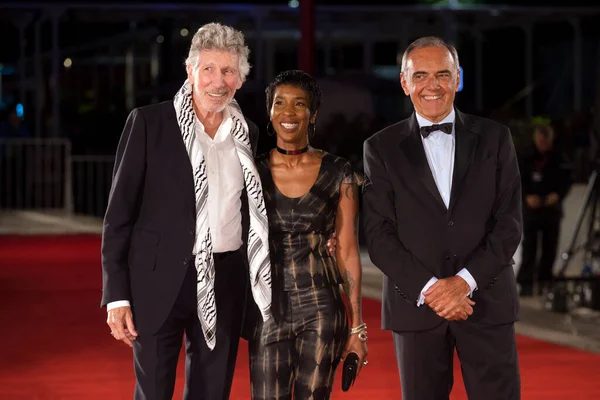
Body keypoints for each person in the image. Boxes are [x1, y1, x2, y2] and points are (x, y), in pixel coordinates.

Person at [101, 22, 273, 400]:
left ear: (240, 79)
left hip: (224, 278)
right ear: (190, 70)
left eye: (229, 71)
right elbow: (118, 217)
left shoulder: (249, 134)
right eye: (208, 68)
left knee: (212, 392)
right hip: (158, 281)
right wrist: (117, 296)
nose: (218, 81)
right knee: (154, 392)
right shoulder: (148, 123)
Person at [362, 36, 522, 400]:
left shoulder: (496, 138)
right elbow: (379, 234)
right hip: (416, 308)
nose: (431, 85)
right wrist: (434, 291)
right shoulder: (380, 147)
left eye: (442, 74)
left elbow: (509, 224)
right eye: (420, 75)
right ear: (404, 82)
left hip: (486, 302)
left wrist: (464, 282)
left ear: (458, 78)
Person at [249, 70, 368, 400]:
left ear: (313, 114)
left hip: (321, 305)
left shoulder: (339, 171)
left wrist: (357, 327)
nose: (288, 113)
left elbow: (346, 248)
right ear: (269, 113)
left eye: (299, 104)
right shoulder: (250, 171)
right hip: (266, 305)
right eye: (280, 103)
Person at [517, 124, 572, 296]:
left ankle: (545, 281)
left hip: (551, 208)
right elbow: (517, 179)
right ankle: (526, 282)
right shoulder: (526, 156)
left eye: (545, 141)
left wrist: (557, 195)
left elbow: (567, 180)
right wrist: (526, 196)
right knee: (529, 246)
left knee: (550, 247)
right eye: (540, 140)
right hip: (531, 208)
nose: (542, 144)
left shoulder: (559, 157)